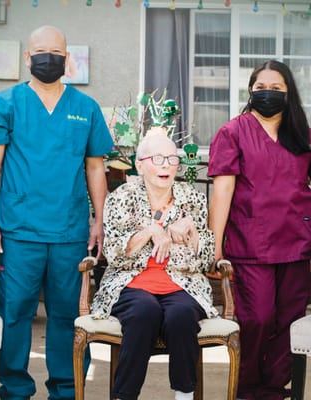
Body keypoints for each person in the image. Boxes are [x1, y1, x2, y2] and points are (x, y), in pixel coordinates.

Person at [207, 60, 311, 400]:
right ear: (250, 91)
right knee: (258, 318)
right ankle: (248, 389)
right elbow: (222, 191)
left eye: (276, 88)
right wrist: (215, 245)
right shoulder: (232, 133)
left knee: (289, 321)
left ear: (289, 92)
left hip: (295, 243)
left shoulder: (303, 135)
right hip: (250, 244)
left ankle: (275, 390)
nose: (268, 93)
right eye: (260, 87)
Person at [0, 25, 112, 400]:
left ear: (67, 59)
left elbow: (95, 168)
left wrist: (99, 220)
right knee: (15, 314)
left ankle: (67, 391)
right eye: (40, 51)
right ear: (27, 57)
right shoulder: (5, 103)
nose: (48, 58)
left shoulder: (85, 108)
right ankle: (14, 390)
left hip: (70, 231)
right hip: (19, 230)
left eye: (56, 52)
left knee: (68, 316)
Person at [90, 130, 216, 400]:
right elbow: (112, 253)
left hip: (183, 284)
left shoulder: (193, 199)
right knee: (144, 312)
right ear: (140, 164)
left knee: (181, 316)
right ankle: (125, 395)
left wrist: (193, 230)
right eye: (158, 159)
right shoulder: (121, 197)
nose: (166, 165)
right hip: (130, 283)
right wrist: (148, 232)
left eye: (172, 158)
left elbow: (206, 258)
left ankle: (184, 394)